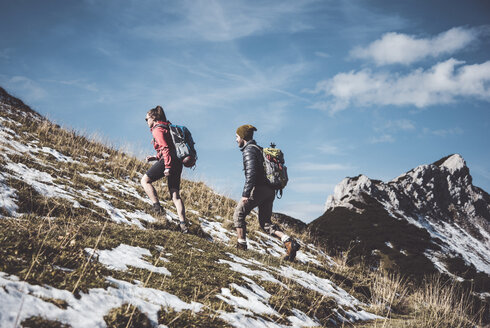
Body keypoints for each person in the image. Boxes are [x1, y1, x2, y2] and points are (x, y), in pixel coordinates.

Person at [233, 124, 300, 261]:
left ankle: (241, 246)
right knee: (265, 222)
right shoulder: (259, 149)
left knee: (238, 213)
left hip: (258, 189)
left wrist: (246, 194)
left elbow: (251, 173)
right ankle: (288, 242)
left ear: (243, 137)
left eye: (237, 137)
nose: (236, 140)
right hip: (270, 191)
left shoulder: (249, 151)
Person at [141, 106, 188, 233]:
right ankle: (183, 224)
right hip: (178, 161)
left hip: (169, 161)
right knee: (175, 195)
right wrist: (155, 157)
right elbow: (168, 148)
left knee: (145, 181)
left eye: (147, 119)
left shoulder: (157, 129)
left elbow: (165, 148)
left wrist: (167, 166)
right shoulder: (168, 126)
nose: (146, 121)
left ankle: (157, 208)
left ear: (154, 117)